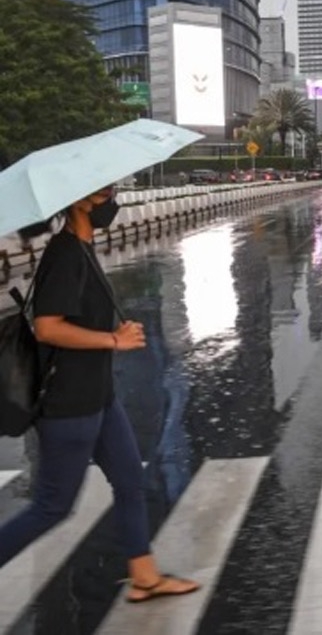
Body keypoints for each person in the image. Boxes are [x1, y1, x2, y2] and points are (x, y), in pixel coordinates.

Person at [0, 187, 199, 602]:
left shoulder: (84, 249)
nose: (113, 199)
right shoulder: (66, 254)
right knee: (52, 507)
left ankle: (144, 576)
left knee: (129, 481)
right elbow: (48, 327)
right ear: (78, 201)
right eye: (105, 192)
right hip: (69, 404)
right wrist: (113, 340)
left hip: (99, 397)